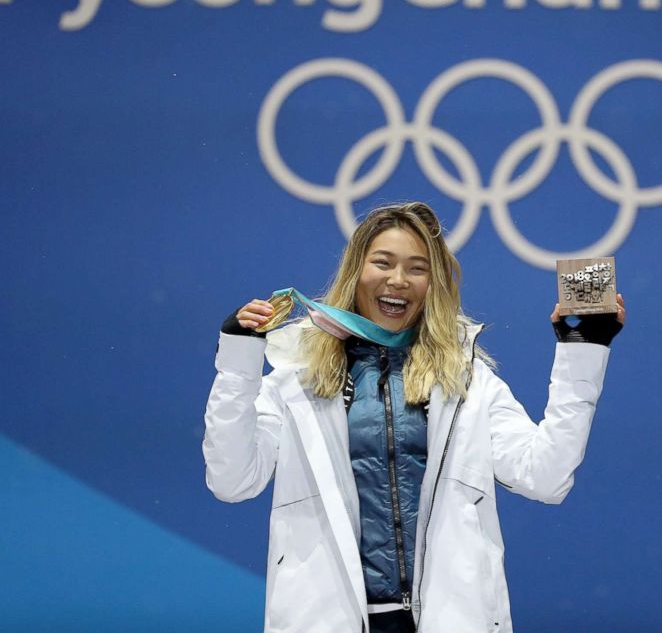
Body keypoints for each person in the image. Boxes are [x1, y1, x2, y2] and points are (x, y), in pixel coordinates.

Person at [203, 202, 625, 633]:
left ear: (433, 284)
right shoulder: (298, 381)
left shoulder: (467, 382)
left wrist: (582, 350)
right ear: (355, 272)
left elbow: (546, 476)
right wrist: (238, 362)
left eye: (417, 268)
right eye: (382, 263)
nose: (398, 280)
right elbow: (232, 480)